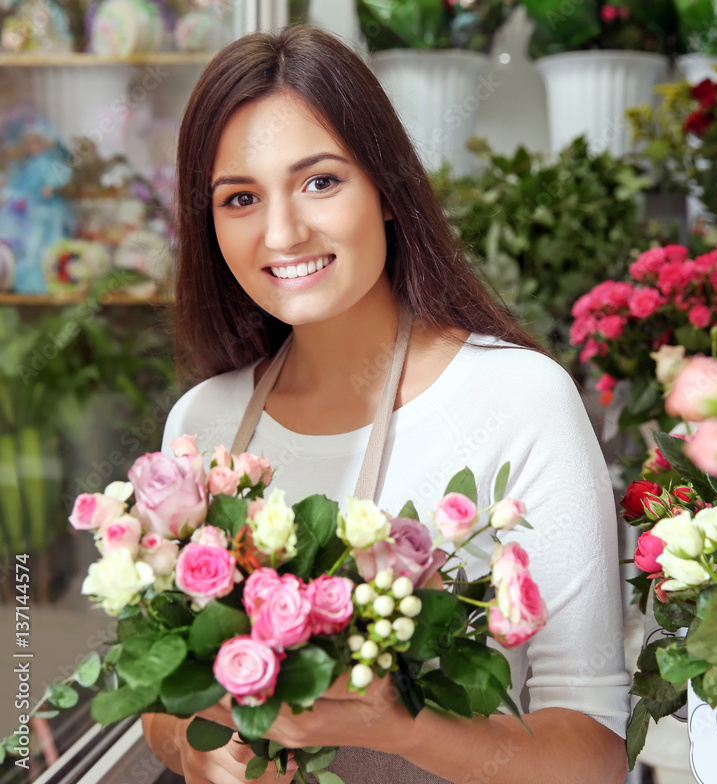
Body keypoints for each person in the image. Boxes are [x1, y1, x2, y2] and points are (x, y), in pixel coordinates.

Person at [141, 25, 630, 784]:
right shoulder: (200, 426)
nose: (282, 232)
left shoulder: (518, 399)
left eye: (320, 181)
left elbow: (593, 754)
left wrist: (402, 727)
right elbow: (159, 690)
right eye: (240, 198)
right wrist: (203, 760)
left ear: (389, 191)